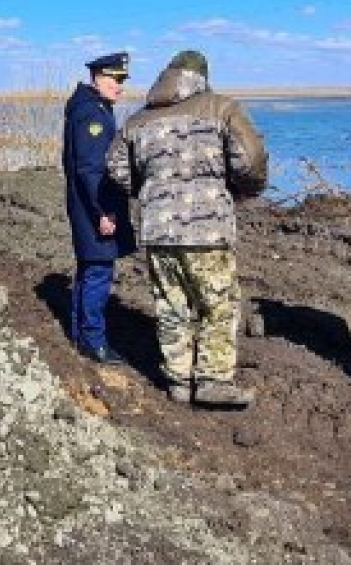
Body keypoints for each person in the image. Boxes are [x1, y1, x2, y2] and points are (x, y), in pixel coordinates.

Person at [106, 50, 268, 406]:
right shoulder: (221, 109)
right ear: (202, 78)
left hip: (157, 231)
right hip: (207, 230)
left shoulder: (137, 120)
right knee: (219, 304)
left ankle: (178, 380)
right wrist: (243, 190)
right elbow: (251, 159)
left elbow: (116, 170)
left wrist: (151, 191)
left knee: (171, 305)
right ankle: (212, 380)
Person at [62, 52, 137, 364]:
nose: (120, 86)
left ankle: (80, 334)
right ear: (97, 77)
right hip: (93, 207)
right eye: (115, 79)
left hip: (85, 205)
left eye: (122, 80)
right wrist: (102, 212)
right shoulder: (92, 114)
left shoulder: (89, 107)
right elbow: (91, 169)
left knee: (89, 268)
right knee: (98, 272)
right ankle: (94, 340)